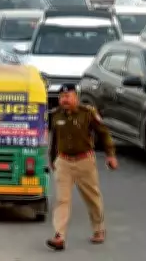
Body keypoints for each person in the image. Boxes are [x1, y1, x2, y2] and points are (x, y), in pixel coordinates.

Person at [46, 84, 117, 251]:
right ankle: (59, 236)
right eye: (62, 97)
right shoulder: (55, 115)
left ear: (76, 97)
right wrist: (52, 159)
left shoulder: (88, 113)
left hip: (84, 161)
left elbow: (104, 133)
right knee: (62, 200)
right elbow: (54, 139)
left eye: (68, 96)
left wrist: (110, 155)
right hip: (64, 162)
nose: (65, 99)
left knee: (92, 198)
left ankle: (99, 229)